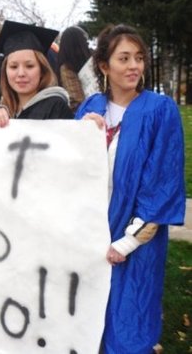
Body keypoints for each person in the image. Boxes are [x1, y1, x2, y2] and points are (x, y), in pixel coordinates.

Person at [75, 24, 185, 354]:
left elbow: (162, 185)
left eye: (139, 57)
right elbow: (71, 173)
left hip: (134, 243)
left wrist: (126, 243)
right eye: (124, 58)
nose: (134, 66)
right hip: (90, 234)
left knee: (128, 324)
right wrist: (82, 134)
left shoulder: (159, 110)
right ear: (104, 66)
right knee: (87, 323)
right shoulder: (90, 108)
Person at [0, 20, 73, 126]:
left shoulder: (56, 107)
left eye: (29, 66)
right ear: (5, 72)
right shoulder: (2, 109)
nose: (21, 73)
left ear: (42, 70)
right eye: (13, 67)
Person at [57, 26, 97, 112]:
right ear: (77, 43)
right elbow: (76, 99)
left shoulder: (91, 61)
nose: (87, 43)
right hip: (85, 112)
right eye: (84, 40)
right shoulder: (67, 68)